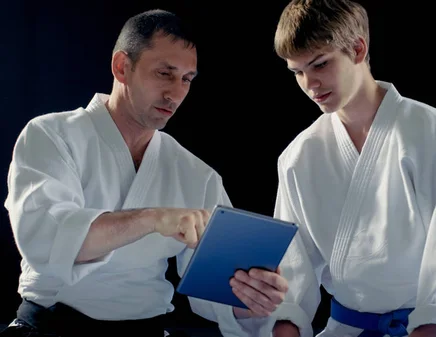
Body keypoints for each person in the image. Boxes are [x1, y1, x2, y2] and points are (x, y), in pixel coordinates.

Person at [1, 9, 288, 337]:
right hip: (50, 326)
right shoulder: (51, 135)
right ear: (122, 67)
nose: (176, 93)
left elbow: (216, 289)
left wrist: (249, 298)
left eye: (186, 79)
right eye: (165, 73)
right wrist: (152, 218)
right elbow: (47, 240)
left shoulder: (196, 174)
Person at [230, 1, 436, 337]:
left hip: (427, 330)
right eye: (297, 72)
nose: (310, 84)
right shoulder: (299, 155)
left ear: (357, 49)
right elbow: (293, 275)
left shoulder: (432, 134)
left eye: (320, 64)